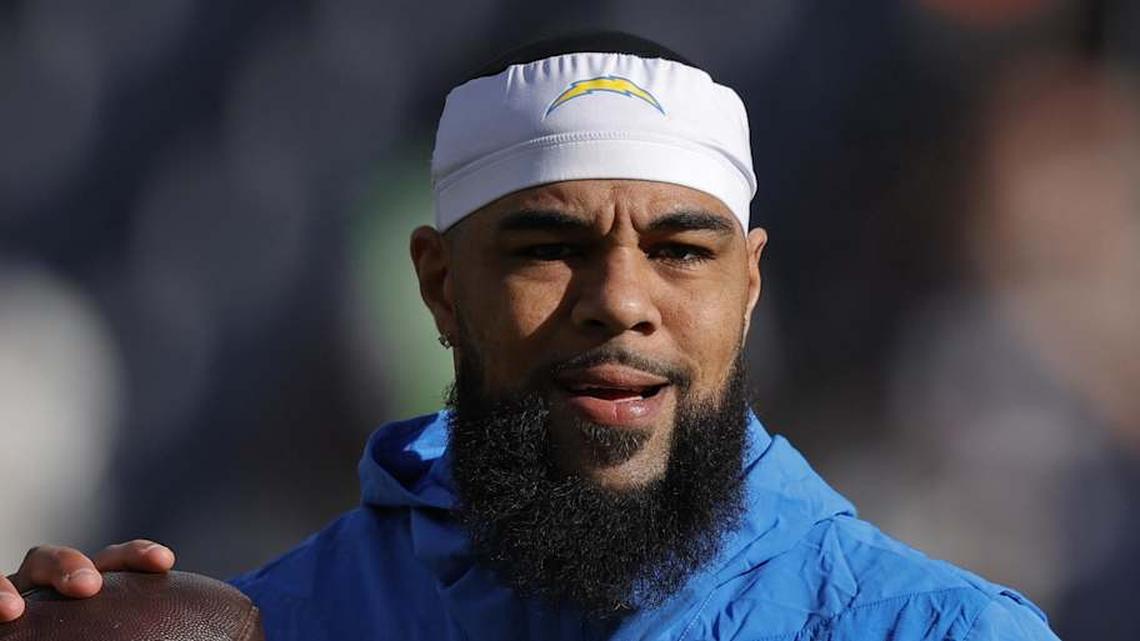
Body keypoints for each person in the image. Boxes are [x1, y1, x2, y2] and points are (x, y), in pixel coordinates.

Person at [0, 32, 1061, 640]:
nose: (619, 298)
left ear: (749, 287)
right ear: (440, 284)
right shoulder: (283, 625)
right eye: (548, 246)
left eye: (682, 249)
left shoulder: (934, 630)